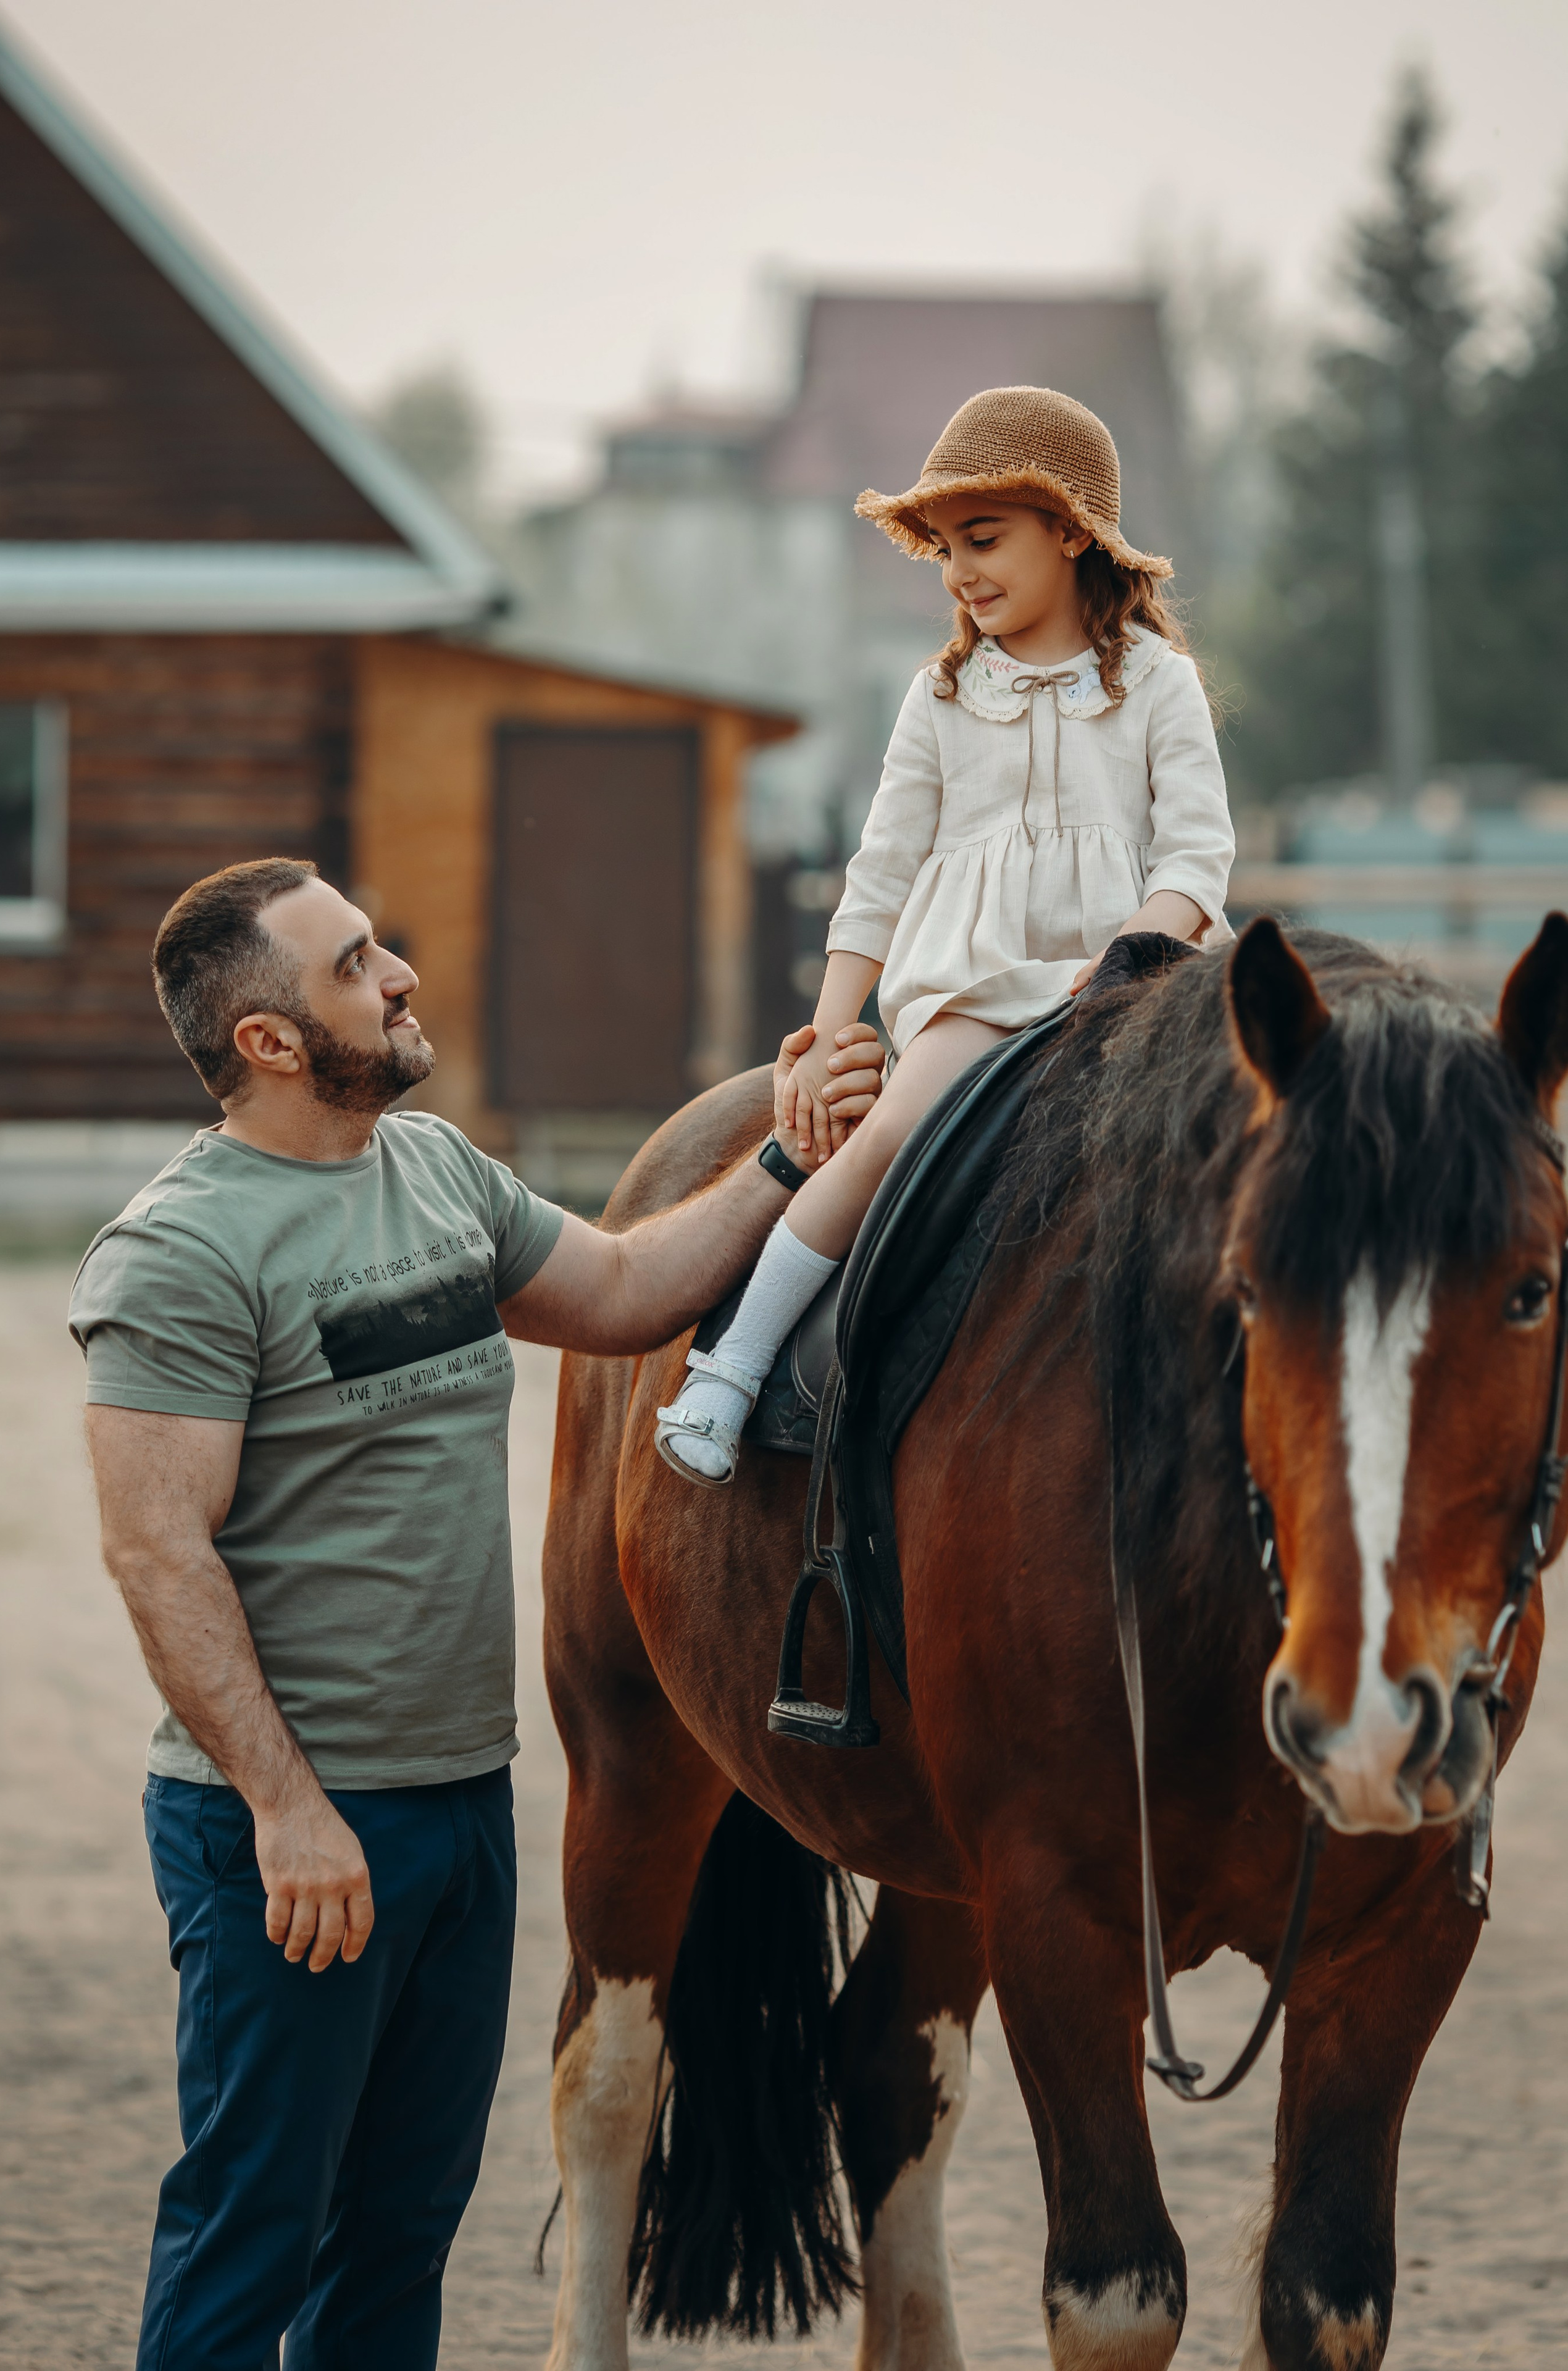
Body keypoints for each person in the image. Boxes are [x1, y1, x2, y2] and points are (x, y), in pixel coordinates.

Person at [68, 856, 885, 2371]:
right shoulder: (180, 1251)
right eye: (355, 965)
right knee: (254, 2231)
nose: (400, 978)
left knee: (395, 2240)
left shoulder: (436, 1173)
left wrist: (794, 1151)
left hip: (459, 1812)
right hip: (292, 1838)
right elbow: (156, 1554)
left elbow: (639, 1285)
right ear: (266, 1042)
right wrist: (287, 1810)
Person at [656, 383, 1236, 1484]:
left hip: (1140, 980)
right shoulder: (943, 695)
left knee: (1251, 1134)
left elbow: (1197, 859)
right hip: (980, 988)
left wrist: (1124, 967)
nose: (961, 572)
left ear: (1071, 530)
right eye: (944, 551)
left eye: (984, 539)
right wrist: (830, 1031)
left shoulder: (1159, 684)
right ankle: (734, 1368)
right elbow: (878, 873)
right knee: (890, 1131)